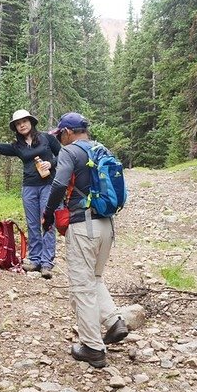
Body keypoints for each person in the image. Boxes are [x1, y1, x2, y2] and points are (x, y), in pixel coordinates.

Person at [42, 112, 128, 368]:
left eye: (62, 135)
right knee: (95, 278)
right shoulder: (102, 149)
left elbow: (58, 185)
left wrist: (47, 216)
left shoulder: (71, 152)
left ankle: (92, 347)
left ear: (68, 132)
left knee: (82, 287)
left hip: (84, 226)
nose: (62, 140)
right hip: (107, 225)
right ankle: (114, 322)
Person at [0, 110, 61, 279]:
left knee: (47, 223)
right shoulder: (17, 146)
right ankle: (35, 260)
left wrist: (50, 163)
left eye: (24, 121)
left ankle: (47, 264)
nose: (22, 125)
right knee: (32, 224)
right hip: (29, 187)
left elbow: (62, 155)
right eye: (18, 123)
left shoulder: (47, 138)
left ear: (31, 122)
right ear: (15, 127)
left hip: (48, 186)